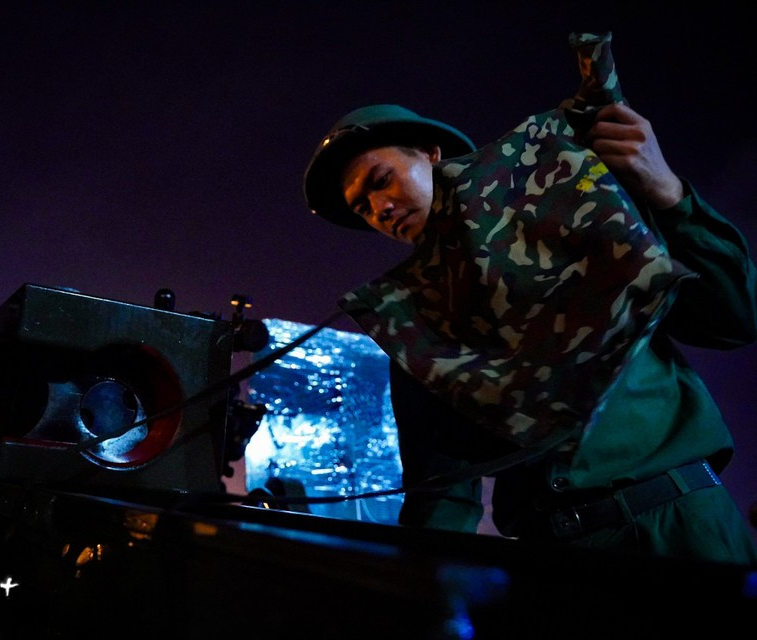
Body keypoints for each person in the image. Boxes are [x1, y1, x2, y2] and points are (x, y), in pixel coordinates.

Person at [301, 46, 757, 565]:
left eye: (381, 180)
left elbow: (734, 318)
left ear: (430, 153)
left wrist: (671, 195)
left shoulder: (569, 211)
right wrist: (426, 592)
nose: (380, 209)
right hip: (552, 564)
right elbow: (442, 491)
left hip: (681, 530)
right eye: (362, 207)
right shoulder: (416, 328)